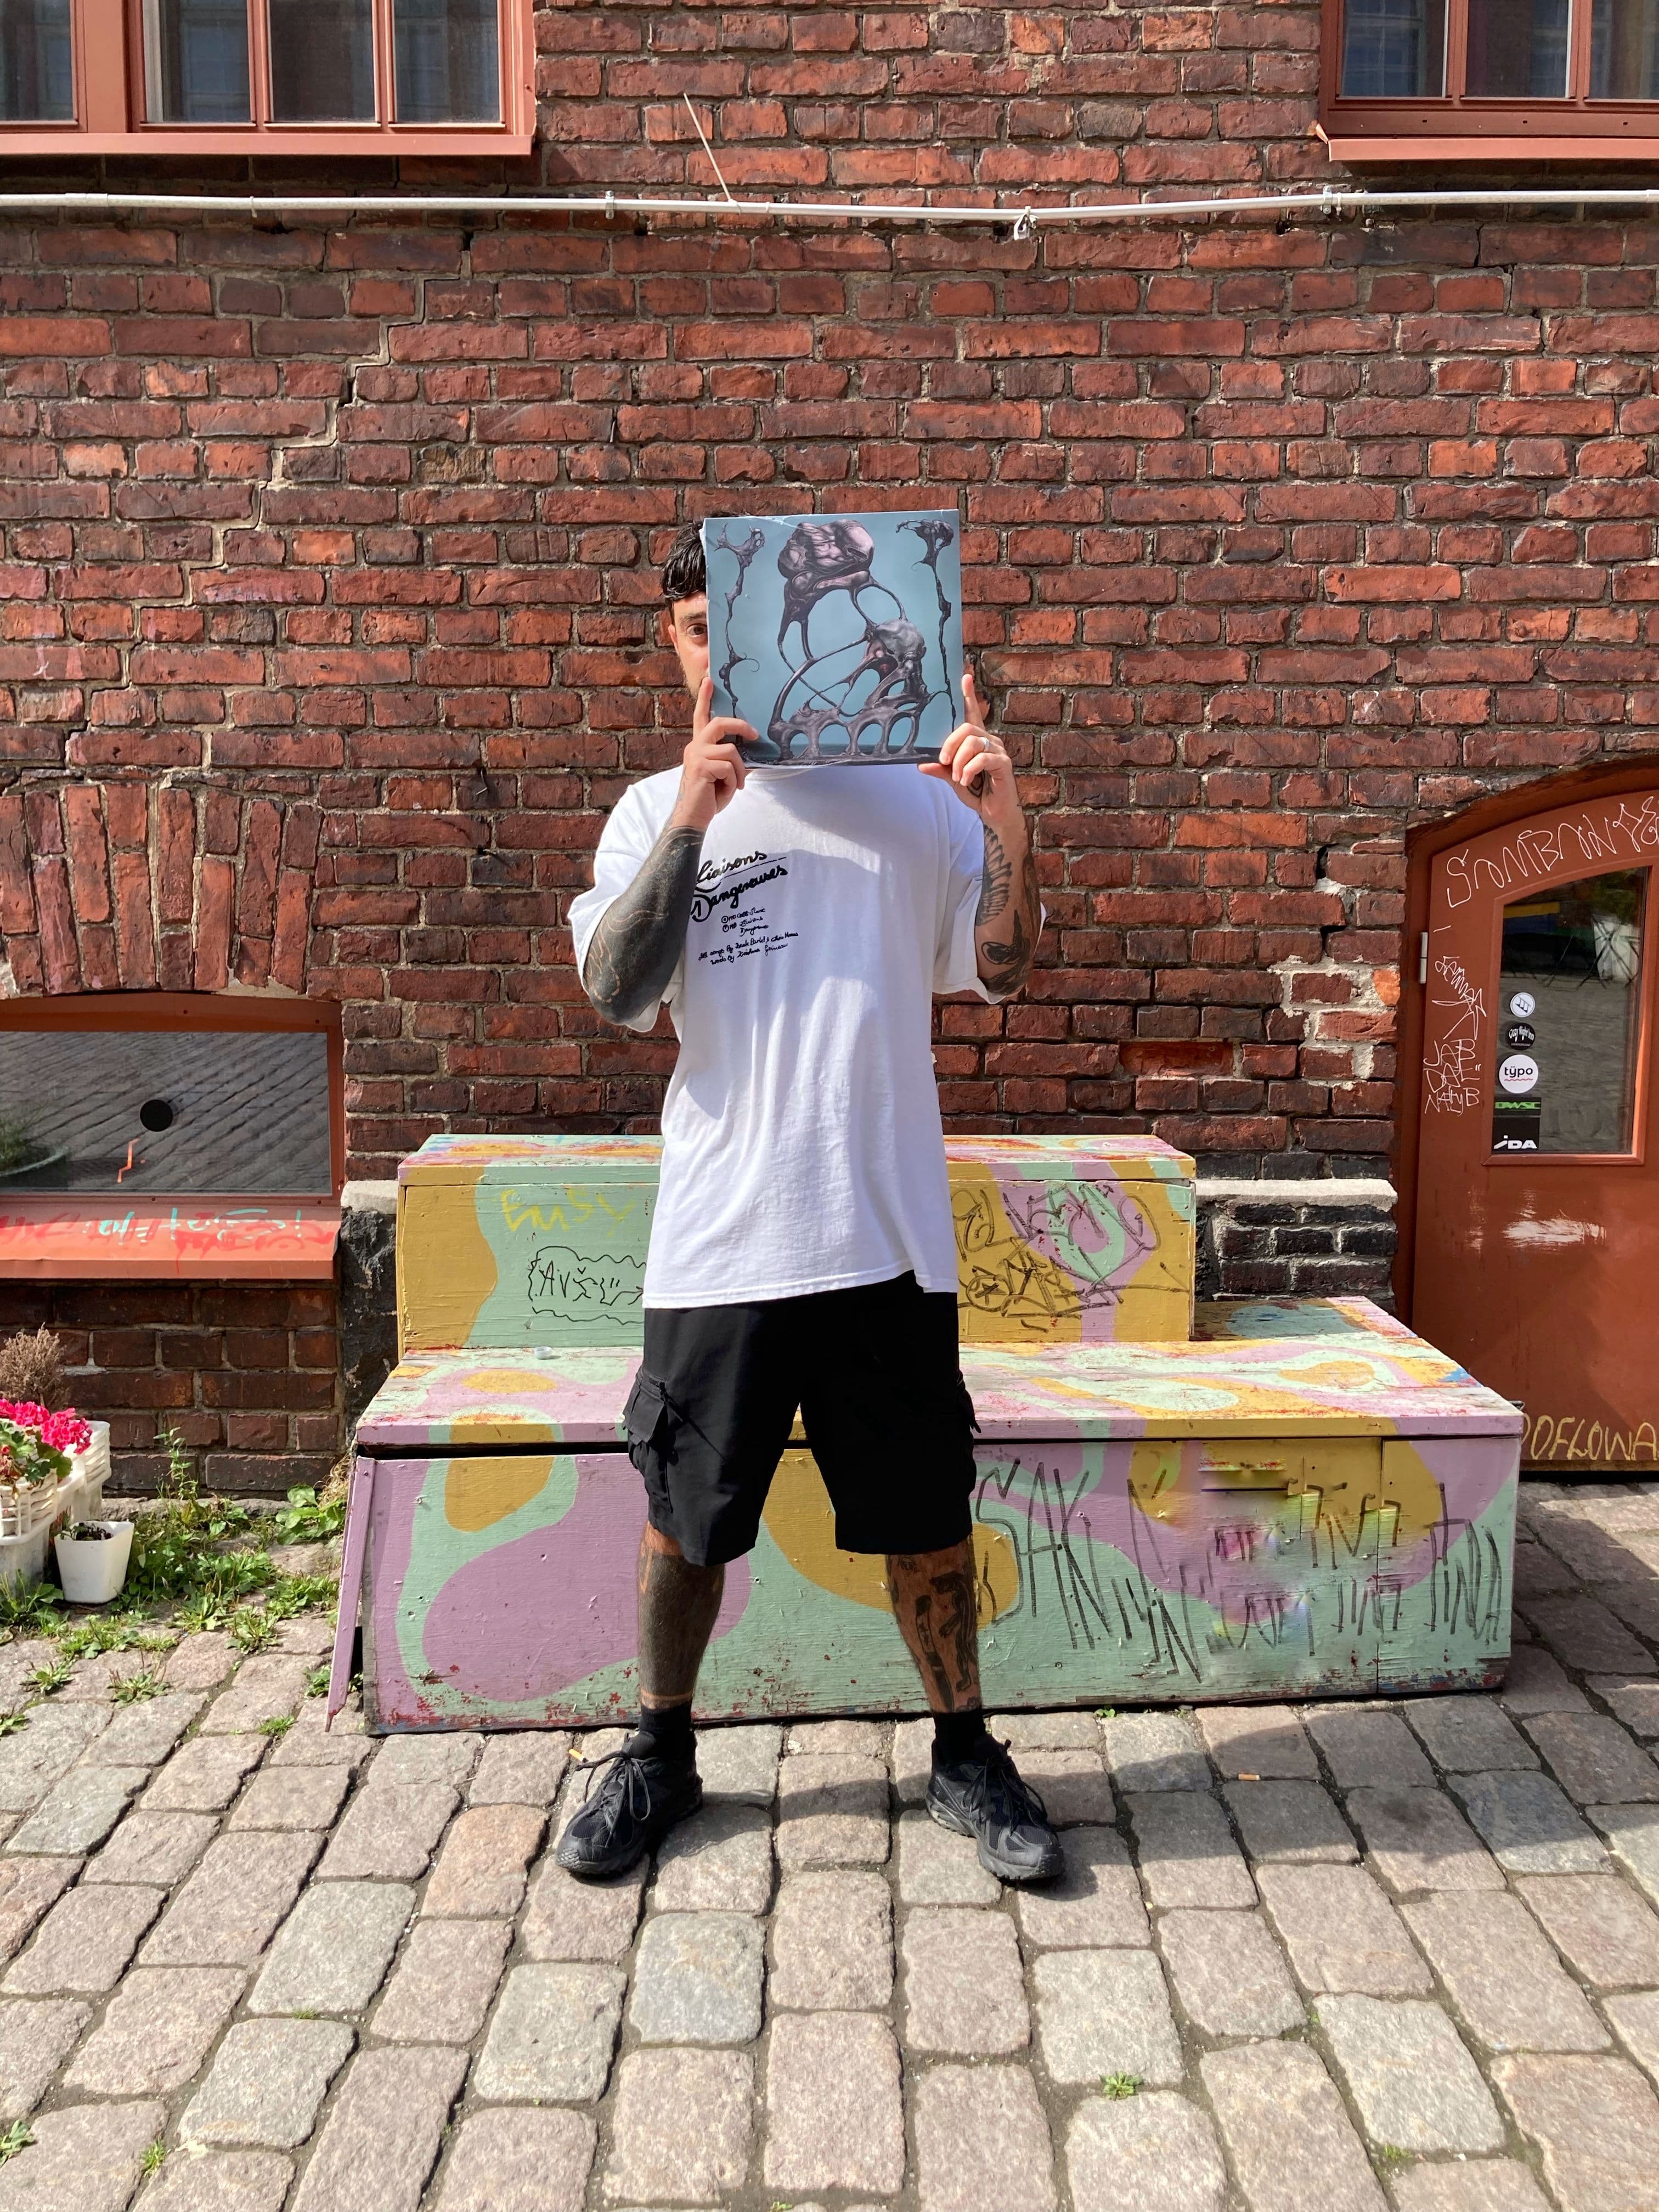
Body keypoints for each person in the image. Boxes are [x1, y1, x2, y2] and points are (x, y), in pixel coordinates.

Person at [559, 521, 1058, 1886]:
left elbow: (1006, 967)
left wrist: (1006, 822)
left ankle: (965, 1753)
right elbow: (618, 993)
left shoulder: (917, 804)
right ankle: (659, 1753)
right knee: (685, 1521)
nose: (721, 654)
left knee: (927, 1522)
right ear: (679, 649)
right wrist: (694, 818)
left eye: (736, 624)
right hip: (721, 1240)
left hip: (885, 1236)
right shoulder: (648, 814)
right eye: (697, 632)